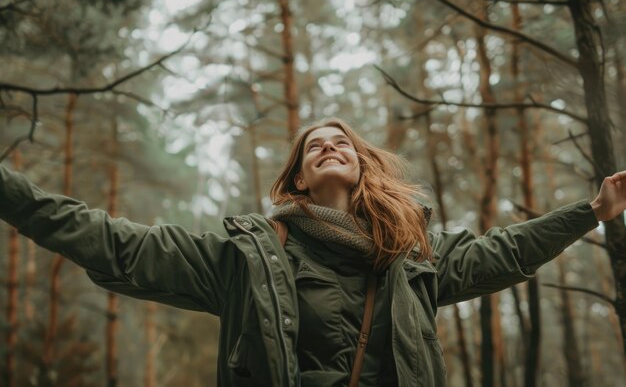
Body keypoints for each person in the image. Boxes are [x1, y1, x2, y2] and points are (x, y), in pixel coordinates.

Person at [0, 118, 625, 387]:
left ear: (359, 164)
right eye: (314, 145)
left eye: (342, 141)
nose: (330, 146)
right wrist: (12, 196)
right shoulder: (248, 257)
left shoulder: (413, 254)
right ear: (297, 179)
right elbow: (117, 243)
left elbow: (501, 253)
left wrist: (590, 213)